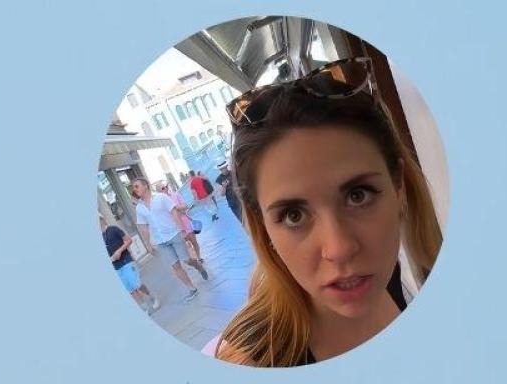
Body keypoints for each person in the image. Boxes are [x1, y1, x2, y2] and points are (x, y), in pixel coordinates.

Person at [209, 57, 443, 366]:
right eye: (293, 215)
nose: (340, 249)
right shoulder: (251, 364)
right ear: (263, 227)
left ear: (397, 185)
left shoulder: (384, 277)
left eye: (358, 196)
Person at [133, 177, 207, 301]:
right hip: (160, 241)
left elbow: (174, 212)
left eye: (137, 186)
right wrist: (148, 244)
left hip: (174, 234)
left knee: (187, 260)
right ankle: (192, 288)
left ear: (145, 185)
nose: (135, 189)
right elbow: (143, 227)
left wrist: (182, 230)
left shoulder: (161, 197)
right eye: (134, 187)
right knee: (175, 266)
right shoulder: (139, 208)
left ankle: (198, 266)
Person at [101, 214, 159, 314]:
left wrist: (119, 251)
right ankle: (144, 308)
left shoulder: (113, 229)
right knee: (130, 290)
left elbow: (129, 240)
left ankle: (153, 297)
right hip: (116, 267)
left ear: (101, 220)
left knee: (137, 284)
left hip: (126, 261)